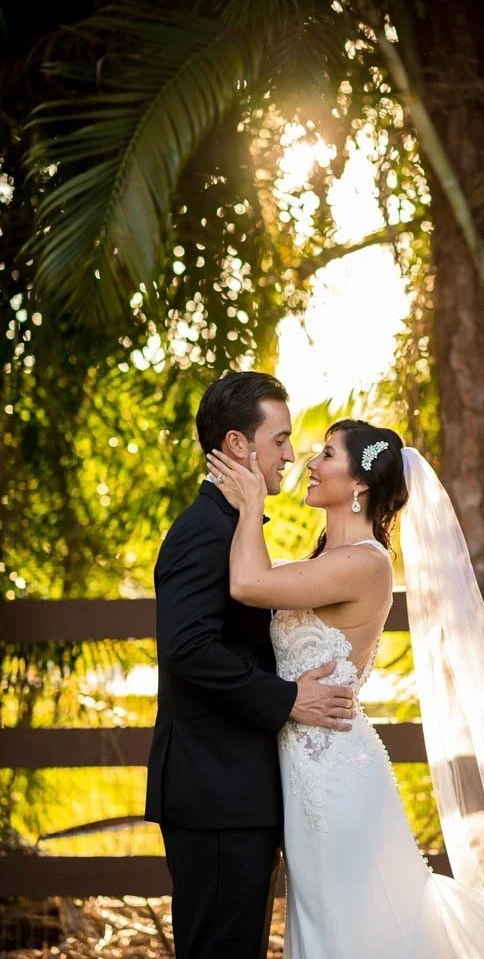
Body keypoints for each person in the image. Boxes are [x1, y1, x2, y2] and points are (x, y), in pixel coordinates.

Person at [206, 417, 484, 959]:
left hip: (335, 777)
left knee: (348, 929)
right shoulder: (322, 563)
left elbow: (248, 583)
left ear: (359, 483)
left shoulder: (365, 564)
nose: (310, 464)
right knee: (332, 923)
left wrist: (250, 505)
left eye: (327, 454)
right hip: (307, 772)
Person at [144, 372, 355, 959]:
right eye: (280, 439)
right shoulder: (202, 533)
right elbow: (188, 648)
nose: (290, 454)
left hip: (236, 793)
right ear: (238, 445)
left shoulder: (231, 528)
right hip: (215, 794)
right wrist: (288, 699)